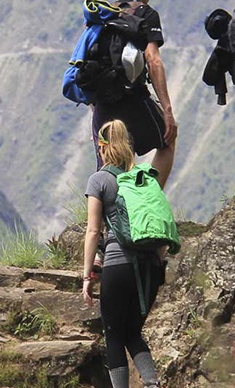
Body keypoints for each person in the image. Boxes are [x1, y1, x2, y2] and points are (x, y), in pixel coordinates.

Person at [81, 120, 168, 388]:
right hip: (150, 266)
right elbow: (160, 222)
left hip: (118, 266)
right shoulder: (145, 178)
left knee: (114, 334)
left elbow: (94, 231)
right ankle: (152, 384)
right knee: (132, 331)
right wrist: (159, 264)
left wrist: (86, 276)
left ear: (102, 147)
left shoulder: (99, 180)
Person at [92, 0, 178, 185]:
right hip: (133, 97)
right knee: (168, 139)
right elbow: (153, 60)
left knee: (108, 165)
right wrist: (168, 111)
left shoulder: (106, 13)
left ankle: (104, 218)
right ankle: (149, 201)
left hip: (102, 101)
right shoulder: (146, 14)